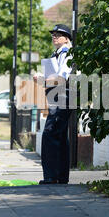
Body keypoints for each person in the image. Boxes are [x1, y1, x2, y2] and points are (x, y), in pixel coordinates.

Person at [38, 24, 73, 185]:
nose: (54, 36)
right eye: (53, 34)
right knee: (59, 136)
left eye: (58, 34)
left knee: (50, 134)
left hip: (63, 96)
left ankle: (52, 177)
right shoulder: (58, 54)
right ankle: (61, 177)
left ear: (66, 38)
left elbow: (62, 78)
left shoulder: (67, 54)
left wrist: (41, 80)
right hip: (59, 97)